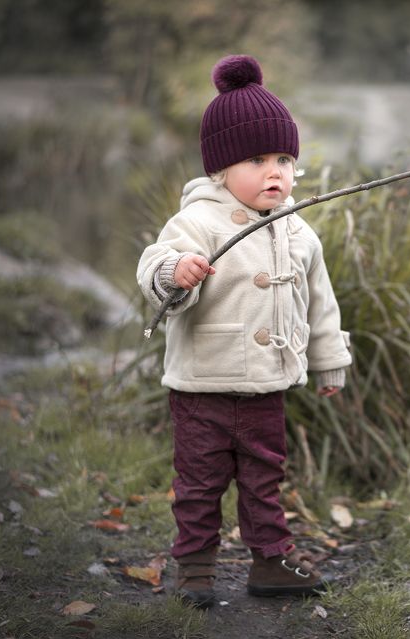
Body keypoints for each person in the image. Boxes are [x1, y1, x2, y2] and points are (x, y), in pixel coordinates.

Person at [136, 54, 352, 608]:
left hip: (265, 387)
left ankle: (270, 562)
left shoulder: (299, 232)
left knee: (264, 479)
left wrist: (329, 362)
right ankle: (196, 570)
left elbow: (319, 304)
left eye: (284, 158)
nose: (275, 171)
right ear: (221, 169)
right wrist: (174, 272)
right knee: (199, 484)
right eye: (257, 159)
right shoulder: (198, 221)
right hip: (201, 387)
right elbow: (155, 262)